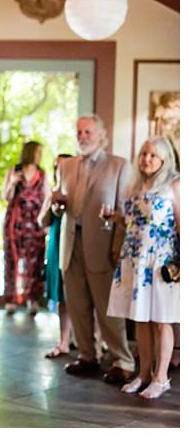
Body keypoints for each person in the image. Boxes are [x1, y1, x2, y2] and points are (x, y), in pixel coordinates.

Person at [52, 114, 135, 385]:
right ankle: (87, 355)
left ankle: (122, 360)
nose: (82, 137)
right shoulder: (66, 166)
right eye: (79, 132)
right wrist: (57, 205)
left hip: (102, 246)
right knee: (76, 304)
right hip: (71, 244)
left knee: (108, 308)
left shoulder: (120, 166)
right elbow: (58, 206)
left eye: (88, 132)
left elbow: (125, 212)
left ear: (101, 134)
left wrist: (117, 247)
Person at [107, 136, 180, 399]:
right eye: (143, 154)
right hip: (134, 261)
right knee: (140, 319)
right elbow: (131, 222)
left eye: (152, 155)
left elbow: (183, 226)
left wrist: (181, 263)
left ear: (164, 159)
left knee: (162, 321)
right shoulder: (134, 185)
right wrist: (112, 217)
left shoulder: (174, 185)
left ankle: (161, 378)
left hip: (161, 263)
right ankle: (144, 374)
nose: (146, 159)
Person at [1, 141, 49, 315]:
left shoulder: (42, 175)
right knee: (11, 261)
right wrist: (13, 182)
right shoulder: (14, 171)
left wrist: (45, 223)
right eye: (37, 152)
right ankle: (11, 299)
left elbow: (46, 198)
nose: (39, 156)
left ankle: (32, 299)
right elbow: (5, 196)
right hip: (15, 223)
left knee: (34, 263)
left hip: (35, 223)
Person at [40, 153, 73, 357]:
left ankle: (94, 340)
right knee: (60, 295)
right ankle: (64, 341)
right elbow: (42, 221)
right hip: (55, 244)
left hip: (73, 244)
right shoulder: (53, 192)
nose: (58, 170)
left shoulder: (78, 191)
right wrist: (52, 204)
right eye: (56, 167)